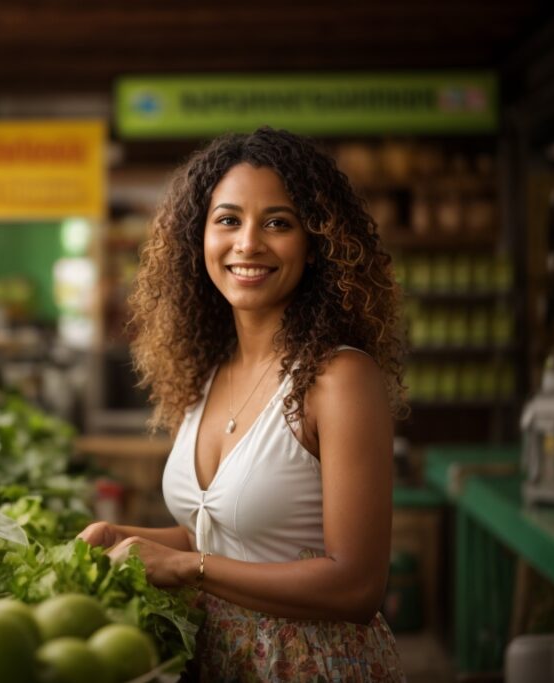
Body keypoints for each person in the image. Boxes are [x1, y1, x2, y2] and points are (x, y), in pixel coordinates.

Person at [78, 126, 408, 681]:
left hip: (310, 667)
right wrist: (129, 539)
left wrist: (186, 567)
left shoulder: (339, 377)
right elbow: (227, 537)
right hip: (215, 660)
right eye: (228, 220)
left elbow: (356, 586)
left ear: (315, 242)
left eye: (278, 222)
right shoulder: (209, 371)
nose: (248, 243)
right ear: (198, 238)